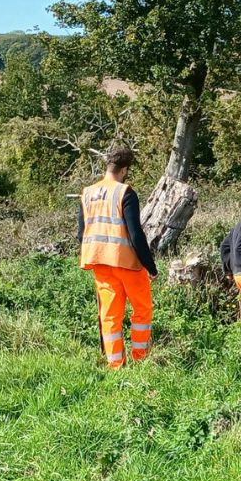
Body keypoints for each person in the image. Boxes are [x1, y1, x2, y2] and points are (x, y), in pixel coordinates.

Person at [77, 146, 157, 367]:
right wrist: (150, 266)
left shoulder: (87, 192)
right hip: (127, 263)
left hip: (99, 262)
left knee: (110, 315)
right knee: (141, 310)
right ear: (124, 170)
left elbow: (80, 232)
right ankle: (140, 360)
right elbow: (135, 234)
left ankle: (115, 365)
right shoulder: (125, 192)